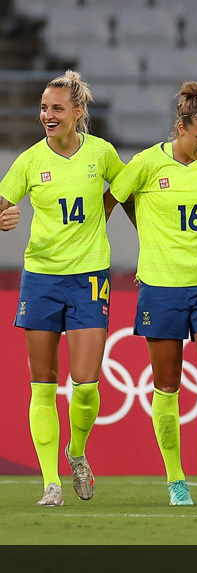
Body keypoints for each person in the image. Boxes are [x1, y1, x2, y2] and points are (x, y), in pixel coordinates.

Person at [108, 82, 197, 506]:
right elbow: (111, 201)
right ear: (180, 127)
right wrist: (145, 230)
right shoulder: (146, 163)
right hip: (161, 286)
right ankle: (175, 479)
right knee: (166, 386)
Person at [0, 70, 124, 506]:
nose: (47, 115)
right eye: (43, 108)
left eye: (56, 108)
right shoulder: (31, 161)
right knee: (43, 383)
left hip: (90, 277)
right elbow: (1, 204)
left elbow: (128, 192)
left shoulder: (102, 154)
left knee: (86, 385)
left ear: (77, 112)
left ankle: (77, 451)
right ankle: (51, 482)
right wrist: (1, 218)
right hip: (41, 277)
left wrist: (101, 214)